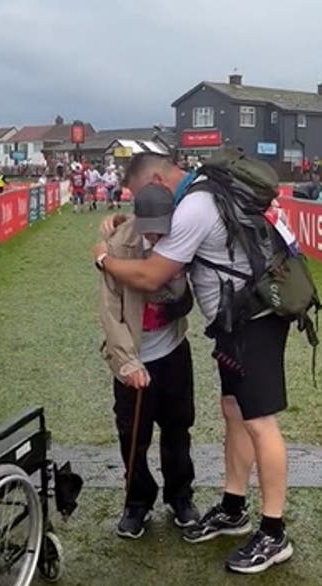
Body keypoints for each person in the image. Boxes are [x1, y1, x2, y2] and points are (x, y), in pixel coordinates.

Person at [93, 152, 293, 574]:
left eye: (140, 194)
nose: (140, 202)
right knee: (235, 411)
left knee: (260, 422)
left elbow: (151, 276)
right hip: (236, 321)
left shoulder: (194, 207)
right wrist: (125, 218)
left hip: (252, 321)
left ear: (159, 182)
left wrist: (104, 258)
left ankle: (274, 534)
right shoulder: (202, 189)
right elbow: (161, 224)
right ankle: (234, 508)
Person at [97, 184, 197, 539]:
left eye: (162, 226)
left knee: (178, 428)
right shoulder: (115, 246)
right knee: (132, 436)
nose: (155, 235)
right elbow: (110, 313)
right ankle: (137, 501)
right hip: (134, 357)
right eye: (148, 226)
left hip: (173, 352)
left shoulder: (183, 240)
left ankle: (180, 496)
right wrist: (127, 363)